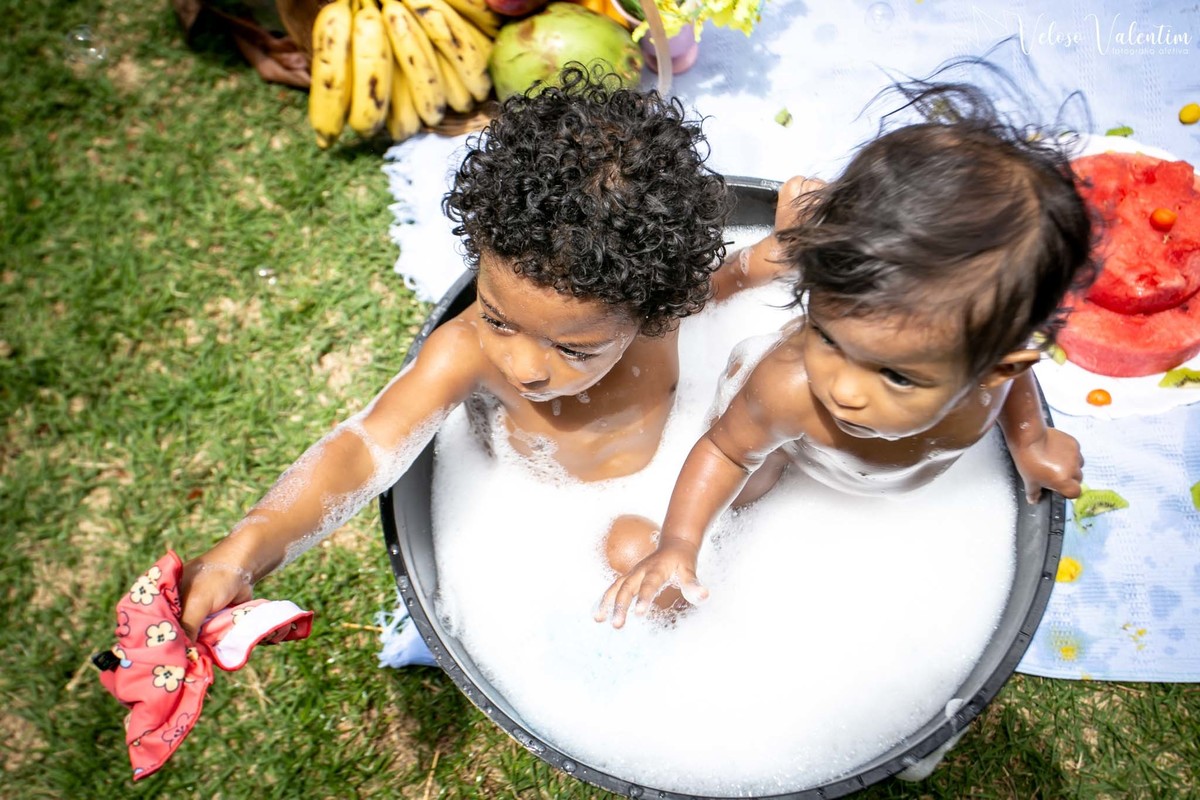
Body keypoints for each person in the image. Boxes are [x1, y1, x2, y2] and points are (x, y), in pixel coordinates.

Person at [177, 64, 792, 639]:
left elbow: (717, 285)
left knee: (769, 398)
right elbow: (362, 449)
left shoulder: (659, 308)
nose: (523, 367)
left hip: (688, 481)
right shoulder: (463, 352)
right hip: (576, 518)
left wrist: (768, 257)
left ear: (651, 308)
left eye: (575, 349)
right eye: (499, 319)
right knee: (630, 551)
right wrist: (247, 547)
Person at [596, 82, 1096, 628]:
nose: (843, 390)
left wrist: (1032, 441)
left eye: (897, 377)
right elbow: (725, 453)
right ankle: (768, 258)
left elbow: (1013, 390)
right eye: (828, 336)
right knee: (749, 479)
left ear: (992, 366)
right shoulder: (789, 389)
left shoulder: (990, 378)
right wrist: (679, 542)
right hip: (780, 444)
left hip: (868, 477)